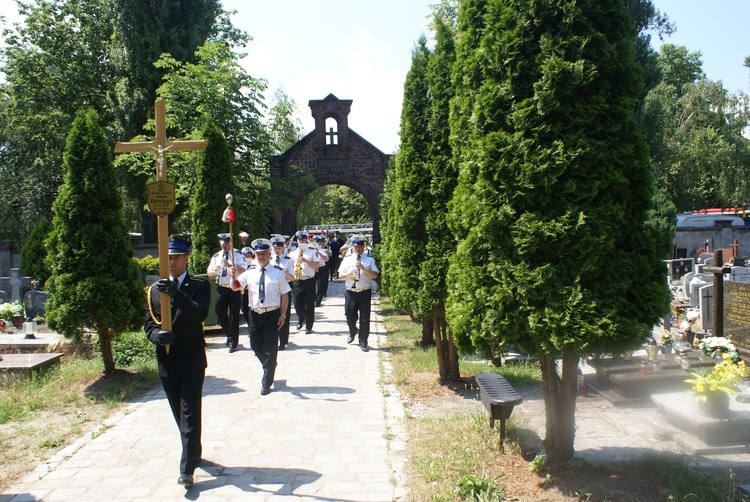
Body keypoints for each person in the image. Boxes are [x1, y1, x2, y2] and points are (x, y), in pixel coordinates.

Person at [144, 234, 210, 487]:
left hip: (191, 360)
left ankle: (187, 470)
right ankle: (195, 450)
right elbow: (149, 324)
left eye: (176, 258)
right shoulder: (154, 289)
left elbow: (199, 313)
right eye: (168, 258)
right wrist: (157, 336)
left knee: (189, 414)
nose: (171, 263)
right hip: (167, 361)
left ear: (185, 259)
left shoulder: (198, 286)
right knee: (179, 416)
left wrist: (177, 294)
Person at [234, 238, 291, 395]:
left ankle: (266, 382)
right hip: (254, 314)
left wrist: (283, 315)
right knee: (255, 345)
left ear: (269, 254)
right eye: (258, 254)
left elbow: (285, 295)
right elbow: (235, 287)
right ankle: (270, 364)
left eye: (264, 253)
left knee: (270, 347)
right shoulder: (249, 273)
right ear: (255, 255)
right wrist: (233, 277)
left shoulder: (277, 273)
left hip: (272, 314)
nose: (261, 257)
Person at [206, 233, 247, 352]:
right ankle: (229, 335)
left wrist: (231, 266)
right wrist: (214, 271)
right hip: (221, 287)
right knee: (219, 312)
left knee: (234, 315)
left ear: (231, 242)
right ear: (220, 243)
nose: (225, 245)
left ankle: (233, 342)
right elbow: (209, 273)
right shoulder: (216, 256)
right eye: (223, 243)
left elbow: (244, 269)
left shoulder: (237, 255)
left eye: (227, 243)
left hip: (233, 287)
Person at [338, 234, 379, 352]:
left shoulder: (369, 259)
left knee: (365, 318)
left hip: (364, 292)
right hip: (351, 292)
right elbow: (340, 275)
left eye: (360, 246)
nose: (358, 249)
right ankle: (352, 331)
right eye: (356, 247)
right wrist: (348, 274)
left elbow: (375, 275)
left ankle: (363, 342)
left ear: (364, 246)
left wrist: (363, 268)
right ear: (352, 246)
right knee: (349, 315)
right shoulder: (347, 259)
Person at [289, 230, 321, 333]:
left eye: (303, 239)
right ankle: (301, 318)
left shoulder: (311, 251)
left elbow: (317, 266)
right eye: (299, 239)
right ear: (297, 240)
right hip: (298, 280)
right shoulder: (293, 253)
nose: (301, 241)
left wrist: (306, 261)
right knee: (297, 303)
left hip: (309, 280)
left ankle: (309, 326)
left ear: (306, 240)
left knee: (310, 303)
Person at [270, 236, 294, 350]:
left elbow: (292, 277)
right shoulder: (269, 259)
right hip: (272, 290)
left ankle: (283, 341)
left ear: (283, 248)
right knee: (273, 314)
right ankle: (274, 337)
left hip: (284, 289)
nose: (277, 250)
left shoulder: (288, 260)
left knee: (284, 314)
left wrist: (282, 271)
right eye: (275, 247)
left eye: (279, 247)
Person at [240, 246, 255, 337]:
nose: (247, 257)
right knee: (244, 309)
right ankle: (249, 324)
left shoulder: (255, 265)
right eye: (245, 255)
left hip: (252, 291)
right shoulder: (241, 265)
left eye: (248, 255)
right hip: (243, 291)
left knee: (251, 309)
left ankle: (252, 327)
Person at [313, 234, 330, 307]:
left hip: (321, 268)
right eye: (315, 241)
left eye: (318, 242)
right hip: (313, 268)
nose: (316, 243)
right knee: (311, 285)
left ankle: (318, 300)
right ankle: (312, 299)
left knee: (320, 285)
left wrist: (318, 252)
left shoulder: (323, 248)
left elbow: (325, 258)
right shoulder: (310, 249)